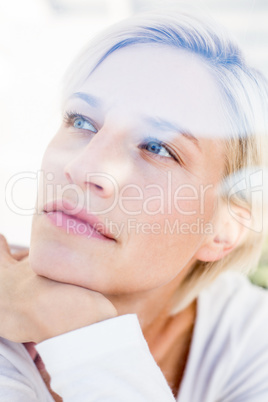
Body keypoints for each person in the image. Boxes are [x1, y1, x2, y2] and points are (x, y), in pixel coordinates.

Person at [0, 9, 268, 402]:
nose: (84, 166)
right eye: (82, 121)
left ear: (224, 228)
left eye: (157, 147)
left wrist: (79, 329)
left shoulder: (250, 337)